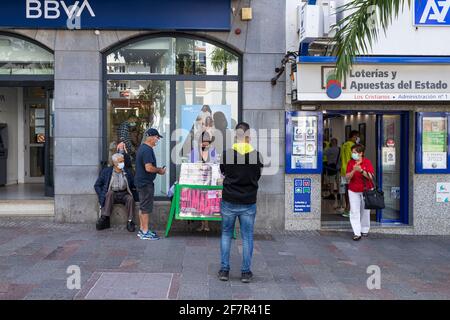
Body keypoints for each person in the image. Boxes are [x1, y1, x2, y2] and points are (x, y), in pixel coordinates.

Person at [218, 122, 264, 283]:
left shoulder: (227, 154)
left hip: (229, 199)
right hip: (248, 201)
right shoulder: (256, 155)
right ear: (248, 137)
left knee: (225, 234)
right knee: (247, 237)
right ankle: (245, 272)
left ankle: (224, 270)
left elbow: (223, 171)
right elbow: (257, 176)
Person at [135, 128, 166, 240]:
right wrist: (159, 170)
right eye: (157, 137)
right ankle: (144, 231)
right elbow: (148, 168)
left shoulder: (143, 148)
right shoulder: (147, 150)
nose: (157, 140)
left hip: (141, 182)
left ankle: (143, 229)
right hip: (145, 183)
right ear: (151, 137)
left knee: (143, 207)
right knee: (145, 208)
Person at [94, 153, 138, 232]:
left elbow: (134, 184)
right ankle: (105, 218)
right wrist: (101, 195)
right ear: (114, 163)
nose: (122, 163)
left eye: (123, 161)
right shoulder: (107, 172)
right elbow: (97, 185)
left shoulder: (127, 171)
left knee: (130, 198)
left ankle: (130, 221)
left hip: (124, 193)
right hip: (113, 194)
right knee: (109, 193)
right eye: (120, 161)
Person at [189, 131, 218, 232]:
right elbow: (190, 166)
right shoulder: (194, 152)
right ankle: (203, 224)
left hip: (210, 181)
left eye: (207, 143)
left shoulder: (213, 151)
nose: (205, 144)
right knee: (200, 202)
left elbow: (216, 165)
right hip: (198, 181)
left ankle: (206, 224)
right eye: (203, 142)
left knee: (208, 202)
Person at [346, 144, 374, 241]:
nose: (353, 154)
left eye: (355, 152)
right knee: (354, 211)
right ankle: (357, 232)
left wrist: (361, 171)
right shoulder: (350, 163)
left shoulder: (367, 162)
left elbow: (371, 177)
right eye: (352, 152)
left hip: (366, 190)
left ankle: (365, 229)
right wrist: (354, 170)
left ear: (361, 153)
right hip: (353, 190)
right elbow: (347, 178)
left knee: (365, 210)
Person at [340, 130, 360, 218]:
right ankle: (348, 210)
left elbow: (342, 157)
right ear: (354, 136)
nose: (357, 138)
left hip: (343, 170)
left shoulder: (344, 144)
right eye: (357, 136)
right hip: (350, 170)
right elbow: (352, 158)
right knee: (351, 191)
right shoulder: (352, 145)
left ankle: (347, 209)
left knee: (347, 190)